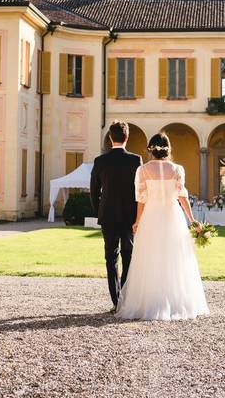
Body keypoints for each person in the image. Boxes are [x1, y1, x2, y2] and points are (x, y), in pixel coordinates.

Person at [116, 132, 209, 321]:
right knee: (174, 257)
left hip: (151, 215)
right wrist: (192, 220)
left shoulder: (142, 170)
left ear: (151, 148)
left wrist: (137, 221)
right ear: (168, 148)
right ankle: (175, 302)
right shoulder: (177, 169)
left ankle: (149, 302)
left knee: (150, 257)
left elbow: (141, 199)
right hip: (172, 215)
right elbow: (182, 196)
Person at [90, 120, 143, 312]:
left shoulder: (100, 161)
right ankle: (125, 299)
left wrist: (99, 211)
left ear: (110, 137)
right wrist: (139, 215)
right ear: (127, 137)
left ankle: (116, 300)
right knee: (128, 256)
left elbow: (94, 191)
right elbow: (140, 191)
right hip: (129, 216)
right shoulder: (136, 160)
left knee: (110, 258)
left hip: (108, 215)